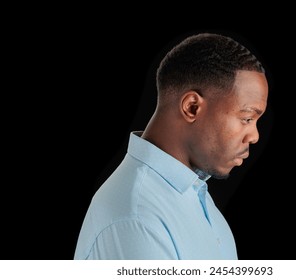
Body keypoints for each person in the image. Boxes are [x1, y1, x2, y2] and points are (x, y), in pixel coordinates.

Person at [74, 32, 269, 260]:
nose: (254, 136)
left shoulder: (197, 199)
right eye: (246, 118)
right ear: (192, 107)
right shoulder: (136, 218)